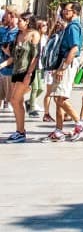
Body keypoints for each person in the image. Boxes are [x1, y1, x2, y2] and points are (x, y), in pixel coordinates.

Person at [45, 2, 83, 142]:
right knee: (58, 96)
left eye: (66, 10)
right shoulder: (70, 26)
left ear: (74, 12)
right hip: (64, 62)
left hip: (66, 63)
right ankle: (58, 130)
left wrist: (63, 67)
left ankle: (79, 122)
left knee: (60, 97)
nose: (63, 12)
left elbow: (74, 49)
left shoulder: (74, 27)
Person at [3, 12, 40, 142]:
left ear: (27, 21)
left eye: (20, 21)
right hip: (16, 71)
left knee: (14, 100)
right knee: (17, 102)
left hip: (26, 71)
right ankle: (20, 131)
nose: (18, 22)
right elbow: (13, 57)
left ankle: (21, 131)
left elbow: (35, 57)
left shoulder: (34, 34)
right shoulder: (18, 35)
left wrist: (29, 74)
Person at [0, 7, 19, 110]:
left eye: (6, 14)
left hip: (10, 71)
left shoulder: (18, 33)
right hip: (2, 69)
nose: (4, 16)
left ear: (12, 16)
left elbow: (15, 55)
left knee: (12, 100)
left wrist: (8, 52)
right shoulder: (4, 31)